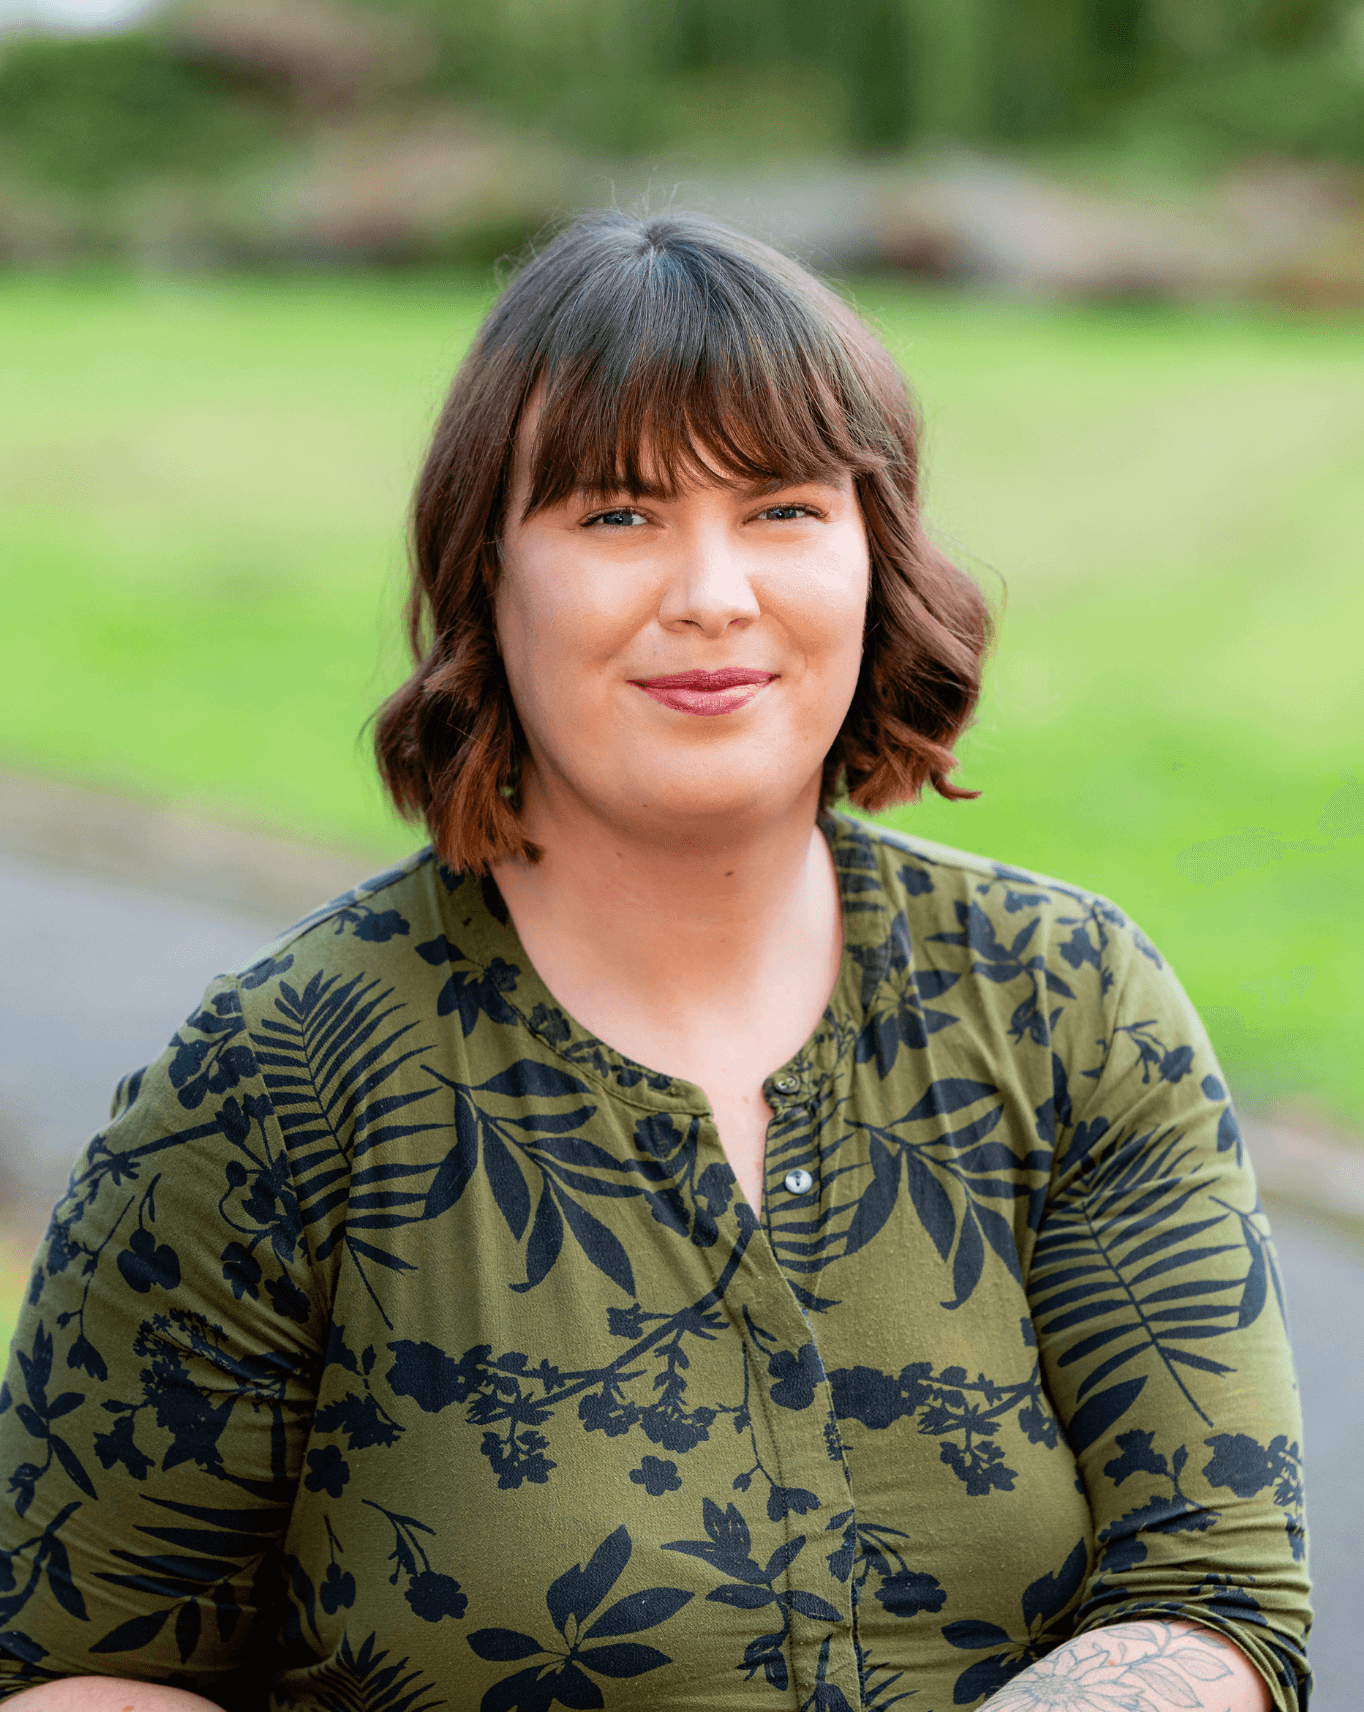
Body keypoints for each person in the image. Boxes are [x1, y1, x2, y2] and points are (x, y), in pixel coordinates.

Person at [0, 211, 1309, 1712]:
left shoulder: (1069, 1004)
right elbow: (78, 1668)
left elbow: (1215, 1600)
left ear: (874, 555)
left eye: (783, 510)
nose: (710, 594)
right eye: (616, 517)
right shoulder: (276, 1084)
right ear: (485, 575)